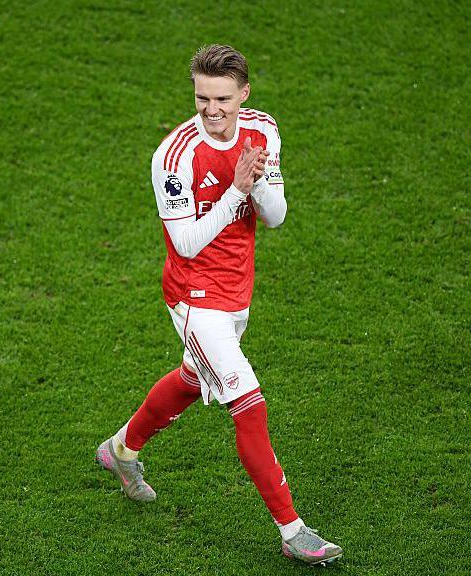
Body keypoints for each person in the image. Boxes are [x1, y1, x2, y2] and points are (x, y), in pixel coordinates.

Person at [95, 44, 342, 566]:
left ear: (243, 93)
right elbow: (185, 244)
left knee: (192, 378)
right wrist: (235, 191)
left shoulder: (263, 131)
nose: (212, 109)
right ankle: (292, 529)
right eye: (202, 97)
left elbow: (274, 217)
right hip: (192, 296)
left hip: (236, 290)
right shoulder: (174, 156)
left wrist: (258, 184)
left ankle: (120, 450)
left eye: (223, 99)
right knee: (248, 403)